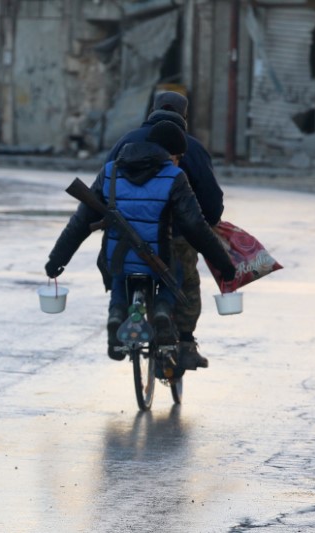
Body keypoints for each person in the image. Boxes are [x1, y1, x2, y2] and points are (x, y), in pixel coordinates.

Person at [44, 120, 236, 368]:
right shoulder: (174, 177)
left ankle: (116, 316)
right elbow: (195, 227)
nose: (177, 163)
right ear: (172, 154)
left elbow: (81, 221)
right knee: (175, 271)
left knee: (118, 276)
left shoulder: (110, 171)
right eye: (177, 157)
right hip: (158, 258)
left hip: (118, 258)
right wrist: (225, 264)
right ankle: (163, 312)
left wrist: (57, 260)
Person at [104, 91, 222, 368]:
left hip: (125, 233)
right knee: (186, 283)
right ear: (185, 117)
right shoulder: (190, 147)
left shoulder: (125, 141)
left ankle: (118, 313)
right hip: (174, 236)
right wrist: (208, 224)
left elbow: (104, 182)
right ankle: (184, 342)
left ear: (151, 111)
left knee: (120, 272)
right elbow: (212, 201)